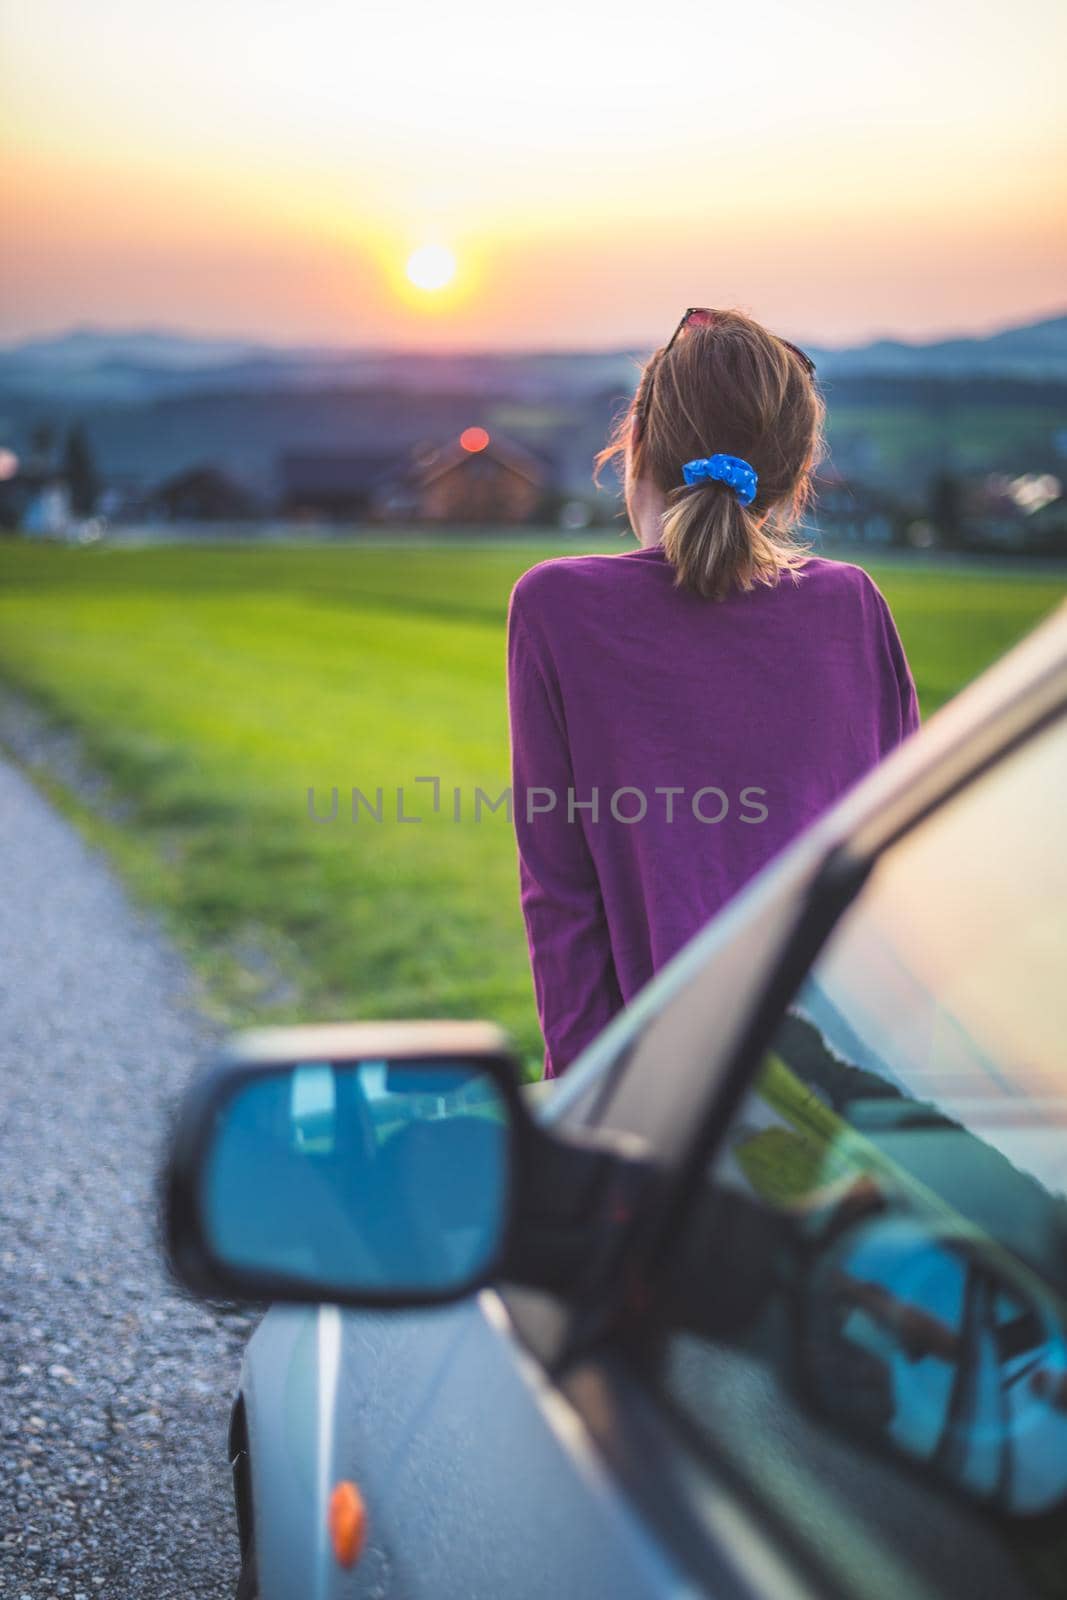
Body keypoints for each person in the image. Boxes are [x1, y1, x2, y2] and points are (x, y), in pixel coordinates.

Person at [506, 306, 920, 1080]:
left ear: (633, 449)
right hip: (853, 1078)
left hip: (670, 1093)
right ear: (796, 479)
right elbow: (904, 864)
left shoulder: (557, 605)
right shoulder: (851, 606)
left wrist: (585, 1102)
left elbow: (559, 892)